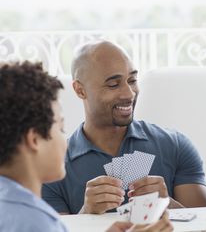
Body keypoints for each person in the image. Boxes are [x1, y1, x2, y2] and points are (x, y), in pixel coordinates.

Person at [42, 40, 206, 214]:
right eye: (113, 84)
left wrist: (167, 203)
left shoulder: (175, 145)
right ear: (80, 90)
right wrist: (86, 214)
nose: (129, 93)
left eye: (132, 80)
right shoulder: (53, 166)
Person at [0, 61, 172, 232]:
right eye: (60, 128)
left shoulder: (11, 206)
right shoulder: (34, 222)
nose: (65, 139)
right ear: (35, 140)